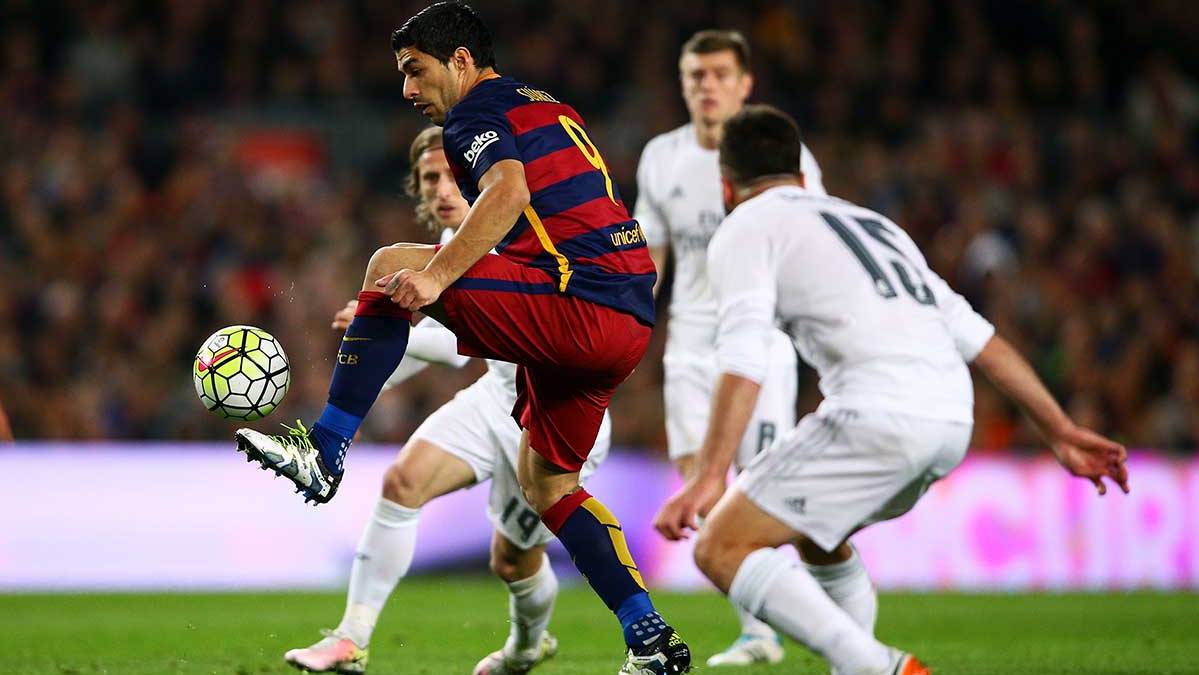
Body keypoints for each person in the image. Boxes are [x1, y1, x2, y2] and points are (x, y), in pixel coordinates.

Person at [235, 3, 690, 672]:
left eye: (414, 71)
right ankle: (648, 636)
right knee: (549, 486)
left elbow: (507, 191)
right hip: (626, 316)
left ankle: (324, 451)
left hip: (578, 301)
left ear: (460, 61)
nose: (407, 89)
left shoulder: (473, 114)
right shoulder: (546, 106)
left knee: (391, 265)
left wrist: (436, 277)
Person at [653, 105, 1129, 675]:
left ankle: (874, 665)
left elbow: (744, 354)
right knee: (817, 535)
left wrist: (709, 476)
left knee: (720, 546)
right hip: (951, 420)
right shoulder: (877, 227)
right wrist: (1061, 430)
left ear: (727, 187)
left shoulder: (746, 226)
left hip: (876, 415)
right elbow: (981, 340)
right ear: (802, 177)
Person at [283, 127, 609, 675]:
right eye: (429, 178)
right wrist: (371, 361)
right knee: (401, 482)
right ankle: (350, 639)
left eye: (451, 175)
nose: (440, 189)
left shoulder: (518, 231)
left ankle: (526, 647)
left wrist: (391, 325)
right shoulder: (448, 245)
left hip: (554, 413)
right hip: (494, 397)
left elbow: (464, 342)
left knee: (512, 561)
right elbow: (449, 343)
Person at [633, 29, 824, 667]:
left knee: (760, 488)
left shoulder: (783, 155)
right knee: (702, 488)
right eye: (696, 75)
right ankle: (761, 630)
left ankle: (810, 610)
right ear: (683, 84)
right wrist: (626, 325)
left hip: (761, 343)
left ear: (745, 85)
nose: (707, 86)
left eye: (719, 74)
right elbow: (650, 255)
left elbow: (814, 241)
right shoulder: (661, 157)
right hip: (690, 347)